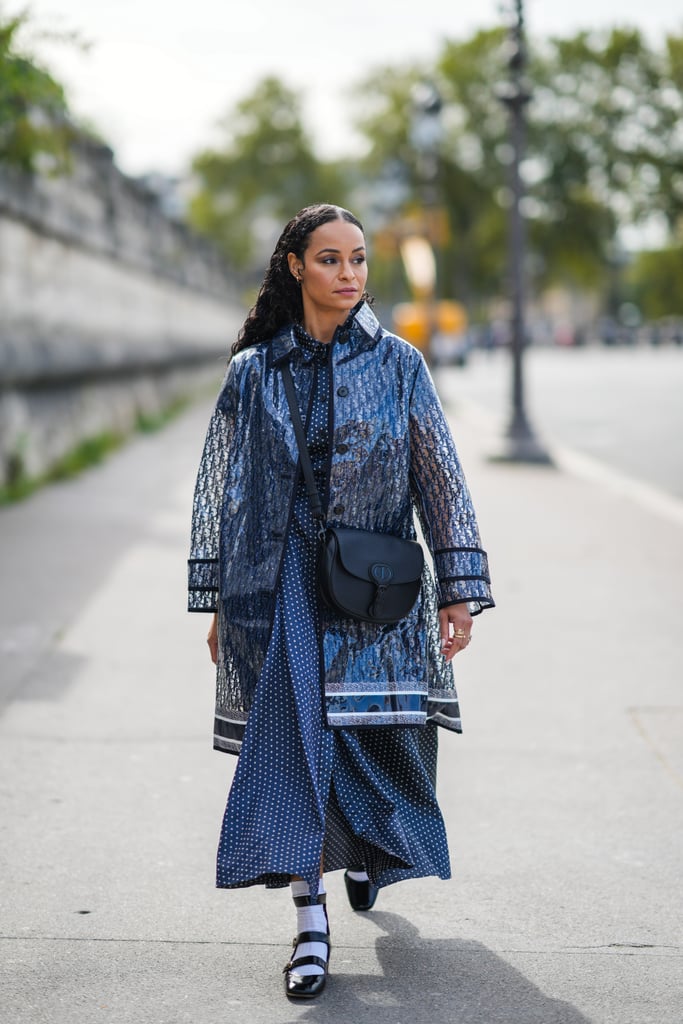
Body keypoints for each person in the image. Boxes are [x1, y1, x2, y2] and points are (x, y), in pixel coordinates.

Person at [188, 204, 494, 1000]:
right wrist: (223, 598)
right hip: (280, 574)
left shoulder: (398, 364)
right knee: (291, 740)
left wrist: (459, 588)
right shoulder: (255, 371)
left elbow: (440, 476)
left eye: (358, 259)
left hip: (375, 580)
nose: (350, 275)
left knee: (373, 738)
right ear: (294, 267)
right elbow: (230, 490)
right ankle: (310, 923)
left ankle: (362, 853)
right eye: (330, 259)